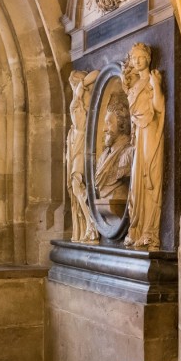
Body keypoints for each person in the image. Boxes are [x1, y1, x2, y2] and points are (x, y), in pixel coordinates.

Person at [120, 43, 165, 250]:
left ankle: (149, 231)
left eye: (140, 57)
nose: (137, 61)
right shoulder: (135, 84)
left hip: (150, 131)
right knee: (137, 183)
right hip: (138, 134)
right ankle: (136, 227)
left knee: (150, 177)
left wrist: (156, 85)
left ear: (148, 58)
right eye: (134, 57)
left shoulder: (151, 80)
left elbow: (158, 107)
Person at [67, 70, 100, 243]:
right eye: (74, 84)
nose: (75, 87)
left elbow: (96, 73)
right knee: (76, 186)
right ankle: (89, 223)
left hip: (83, 148)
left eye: (75, 83)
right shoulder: (76, 104)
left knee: (76, 183)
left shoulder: (83, 103)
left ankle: (91, 222)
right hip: (77, 147)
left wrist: (83, 83)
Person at [95, 93, 134, 201]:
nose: (104, 129)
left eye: (109, 123)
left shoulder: (129, 153)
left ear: (122, 124)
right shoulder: (104, 156)